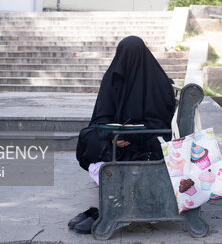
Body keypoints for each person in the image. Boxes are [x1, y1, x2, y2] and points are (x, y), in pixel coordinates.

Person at [70, 35, 176, 234]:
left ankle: (112, 209)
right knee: (88, 136)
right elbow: (100, 118)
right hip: (116, 139)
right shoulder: (114, 78)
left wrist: (134, 135)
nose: (125, 63)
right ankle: (106, 206)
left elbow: (161, 124)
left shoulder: (157, 82)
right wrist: (112, 135)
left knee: (123, 147)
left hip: (147, 142)